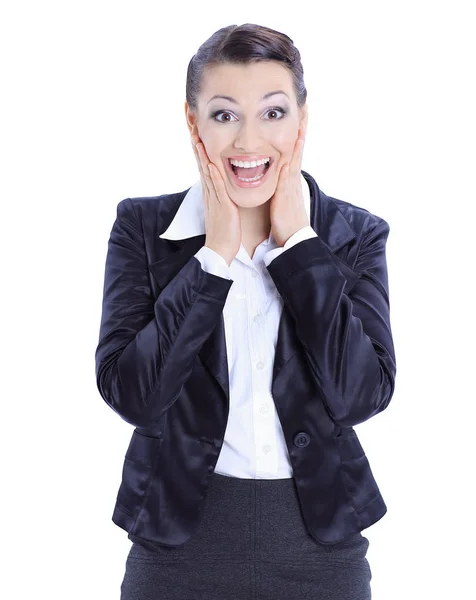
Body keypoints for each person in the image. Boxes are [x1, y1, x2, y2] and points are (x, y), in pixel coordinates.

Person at [95, 22, 397, 600]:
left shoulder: (353, 235)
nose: (249, 142)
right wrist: (213, 258)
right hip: (176, 550)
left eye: (274, 113)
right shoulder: (143, 229)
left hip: (320, 552)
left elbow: (361, 396)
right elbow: (135, 396)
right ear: (193, 122)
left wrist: (300, 248)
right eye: (225, 114)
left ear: (303, 121)